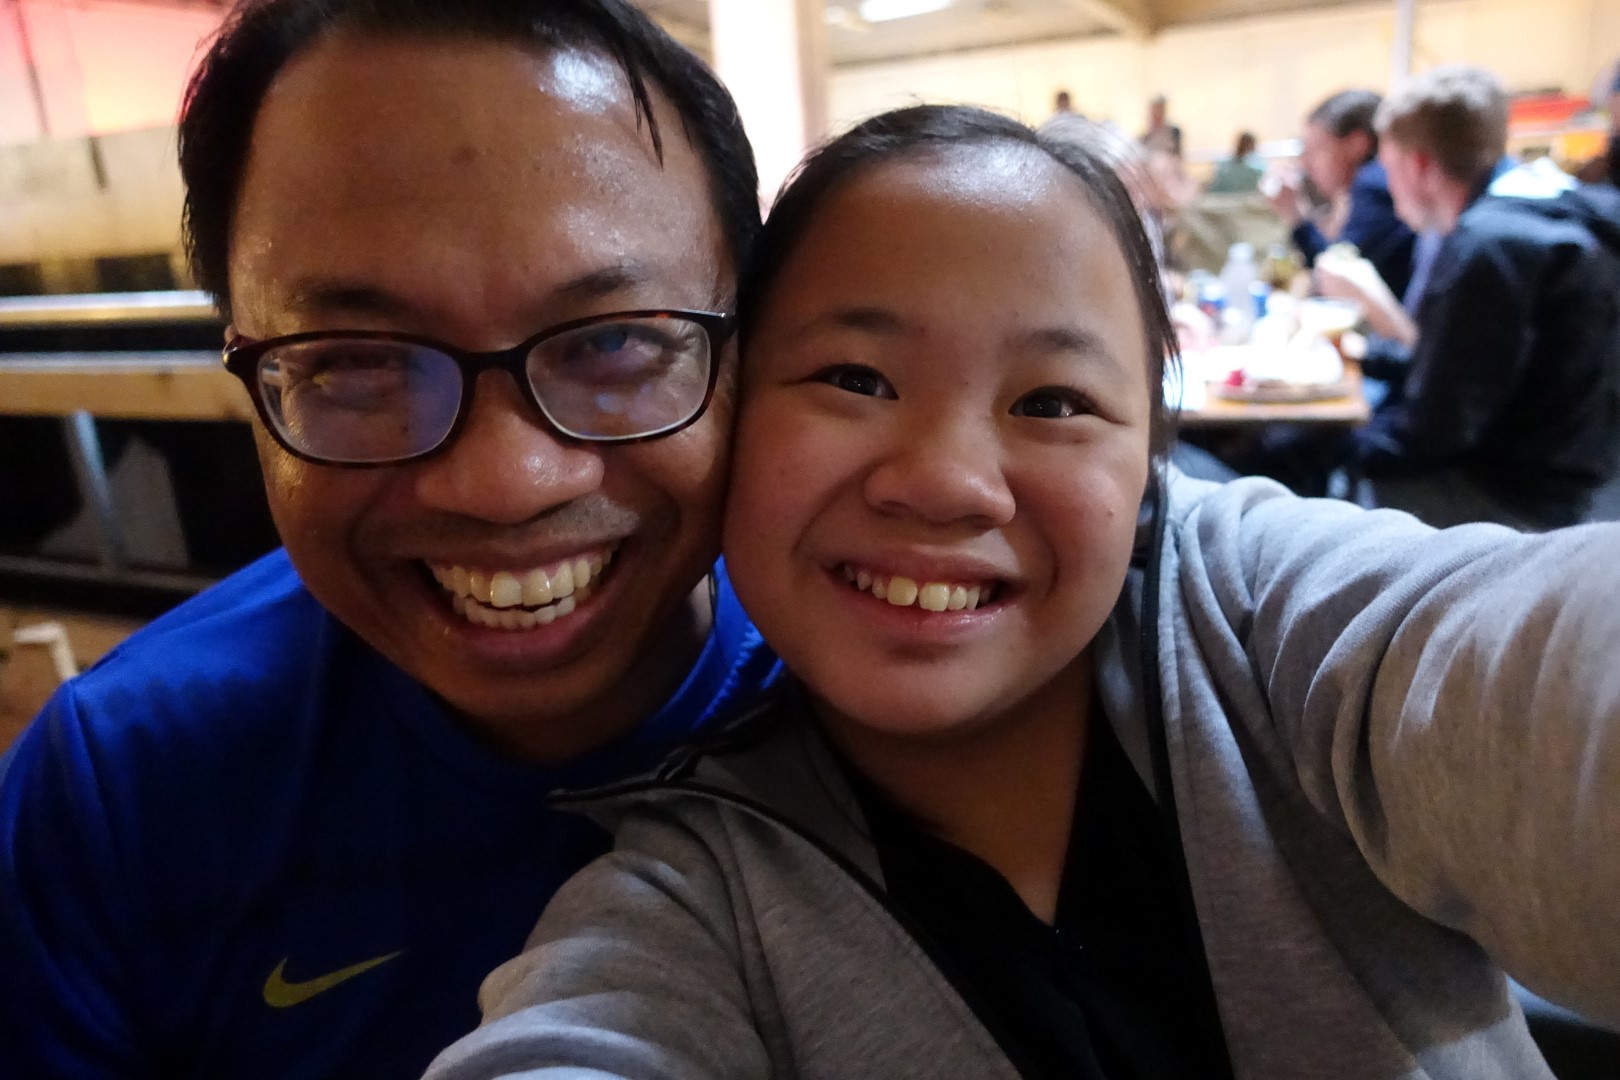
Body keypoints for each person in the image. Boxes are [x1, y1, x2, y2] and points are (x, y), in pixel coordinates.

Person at [424, 105, 1620, 1080]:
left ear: (1148, 461)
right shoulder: (691, 899)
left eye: (1054, 401)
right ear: (726, 416)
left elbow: (1542, 668)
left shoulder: (1276, 634)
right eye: (854, 377)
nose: (948, 483)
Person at [0, 1, 778, 1077]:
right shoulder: (123, 795)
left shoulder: (914, 722)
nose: (505, 485)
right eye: (358, 362)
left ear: (745, 341)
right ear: (246, 364)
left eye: (613, 342)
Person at [1350, 65, 1620, 529]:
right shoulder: (1565, 212)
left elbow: (1433, 432)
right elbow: (1477, 368)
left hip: (1515, 503)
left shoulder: (1488, 247)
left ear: (1418, 166)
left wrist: (1333, 442)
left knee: (1319, 489)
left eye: (1389, 168)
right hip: (1586, 487)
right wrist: (1371, 356)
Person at [1267, 89, 1416, 298]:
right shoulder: (1373, 181)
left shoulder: (1372, 184)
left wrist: (1295, 216)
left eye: (1316, 150)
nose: (1305, 164)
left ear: (1357, 144)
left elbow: (1335, 275)